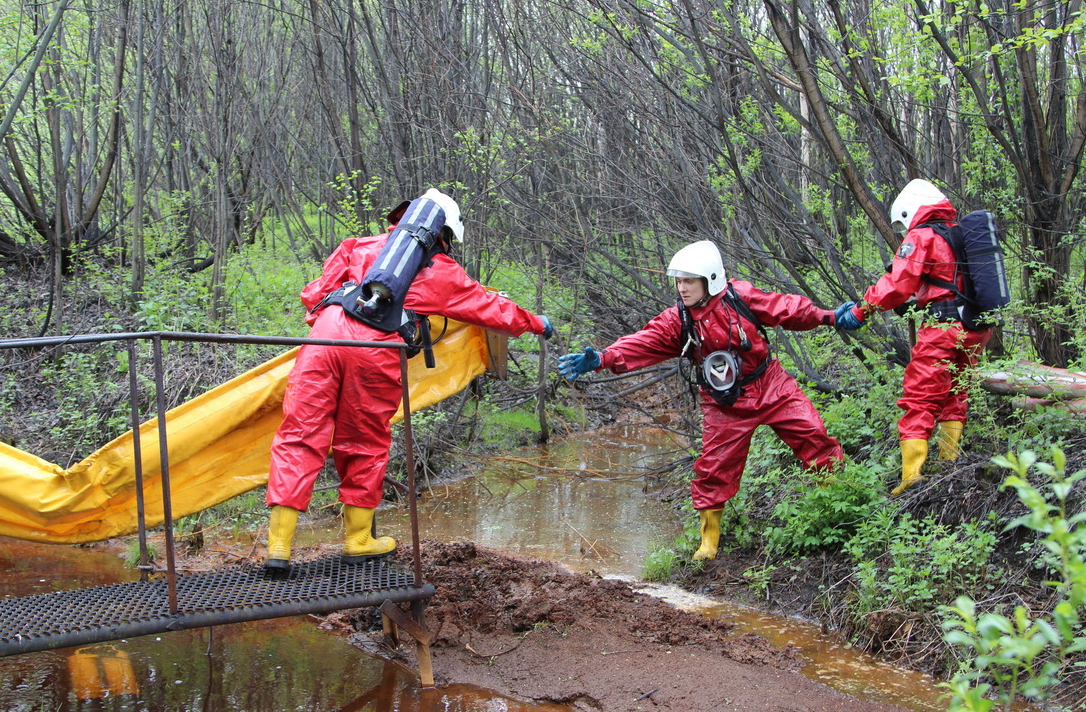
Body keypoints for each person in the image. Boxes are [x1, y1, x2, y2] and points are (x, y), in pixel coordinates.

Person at [264, 188, 553, 570]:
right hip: (376, 352)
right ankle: (358, 540)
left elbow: (313, 295)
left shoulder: (361, 245)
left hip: (324, 339)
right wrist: (537, 323)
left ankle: (278, 550)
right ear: (444, 234)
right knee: (363, 442)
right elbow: (491, 309)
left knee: (300, 435)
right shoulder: (443, 271)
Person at [558, 240, 854, 560]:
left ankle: (841, 508)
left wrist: (829, 317)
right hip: (723, 401)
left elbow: (786, 308)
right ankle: (708, 543)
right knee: (713, 468)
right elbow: (641, 344)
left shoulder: (740, 298)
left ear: (710, 279)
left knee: (813, 435)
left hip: (770, 384)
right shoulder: (679, 320)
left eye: (689, 281)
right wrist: (602, 358)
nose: (682, 288)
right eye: (679, 281)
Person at [834, 179, 992, 495]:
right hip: (975, 328)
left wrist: (862, 309)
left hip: (943, 328)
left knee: (919, 395)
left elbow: (898, 284)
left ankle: (911, 476)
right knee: (955, 393)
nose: (904, 230)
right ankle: (950, 460)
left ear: (911, 212)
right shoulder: (959, 232)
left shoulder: (922, 237)